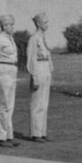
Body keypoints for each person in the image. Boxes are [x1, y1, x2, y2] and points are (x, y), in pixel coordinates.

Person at [0, 14, 21, 142]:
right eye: (11, 25)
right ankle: (0, 137)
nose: (12, 27)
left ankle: (8, 135)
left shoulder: (9, 39)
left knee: (9, 106)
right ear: (4, 26)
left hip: (11, 72)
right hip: (3, 72)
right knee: (3, 106)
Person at [26, 12, 55, 140]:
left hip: (45, 70)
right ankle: (35, 133)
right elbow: (31, 59)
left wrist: (50, 69)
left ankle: (42, 131)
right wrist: (34, 75)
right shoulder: (34, 39)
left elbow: (48, 55)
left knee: (44, 103)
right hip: (38, 70)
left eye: (48, 22)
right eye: (45, 22)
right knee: (37, 103)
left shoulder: (43, 37)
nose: (47, 24)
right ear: (38, 24)